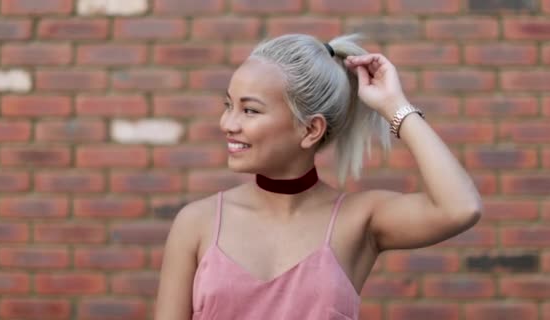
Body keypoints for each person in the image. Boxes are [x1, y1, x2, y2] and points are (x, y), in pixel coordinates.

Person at [154, 34, 482, 320]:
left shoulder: (359, 219)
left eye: (249, 110)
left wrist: (395, 106)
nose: (228, 123)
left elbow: (461, 208)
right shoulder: (197, 222)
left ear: (311, 129)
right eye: (228, 105)